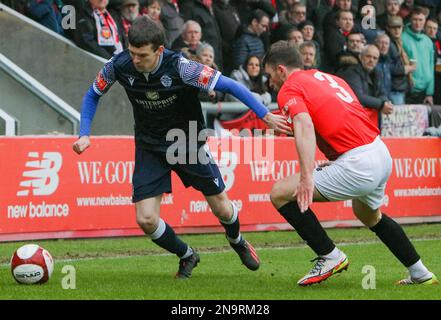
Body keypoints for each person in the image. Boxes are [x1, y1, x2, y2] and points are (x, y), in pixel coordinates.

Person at [73, 16, 291, 279]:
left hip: (185, 140)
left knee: (222, 208)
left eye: (142, 55)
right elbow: (92, 94)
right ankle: (187, 254)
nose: (135, 60)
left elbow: (231, 85)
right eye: (132, 53)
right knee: (145, 219)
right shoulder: (118, 64)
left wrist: (265, 115)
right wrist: (84, 133)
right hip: (149, 145)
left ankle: (237, 240)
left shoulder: (183, 68)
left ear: (159, 51)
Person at [263, 40, 438, 286]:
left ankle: (330, 255)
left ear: (281, 70)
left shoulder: (289, 88)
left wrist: (306, 177)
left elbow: (305, 126)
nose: (270, 83)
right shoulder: (327, 78)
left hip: (358, 163)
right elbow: (335, 119)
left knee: (280, 193)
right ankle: (420, 273)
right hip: (379, 151)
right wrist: (334, 161)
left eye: (270, 76)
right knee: (369, 215)